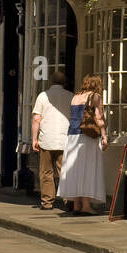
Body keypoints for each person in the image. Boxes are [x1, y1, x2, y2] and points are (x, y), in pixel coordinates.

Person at [56, 75, 106, 215]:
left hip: (72, 136)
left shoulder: (75, 97)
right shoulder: (95, 97)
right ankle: (86, 206)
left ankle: (77, 204)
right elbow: (99, 118)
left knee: (75, 169)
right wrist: (104, 135)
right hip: (87, 136)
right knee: (87, 169)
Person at [31, 71, 73, 211]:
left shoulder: (43, 96)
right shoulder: (70, 96)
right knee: (65, 171)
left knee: (46, 172)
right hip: (64, 139)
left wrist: (34, 139)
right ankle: (68, 200)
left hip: (46, 140)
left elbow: (37, 119)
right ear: (64, 82)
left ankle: (47, 202)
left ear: (51, 82)